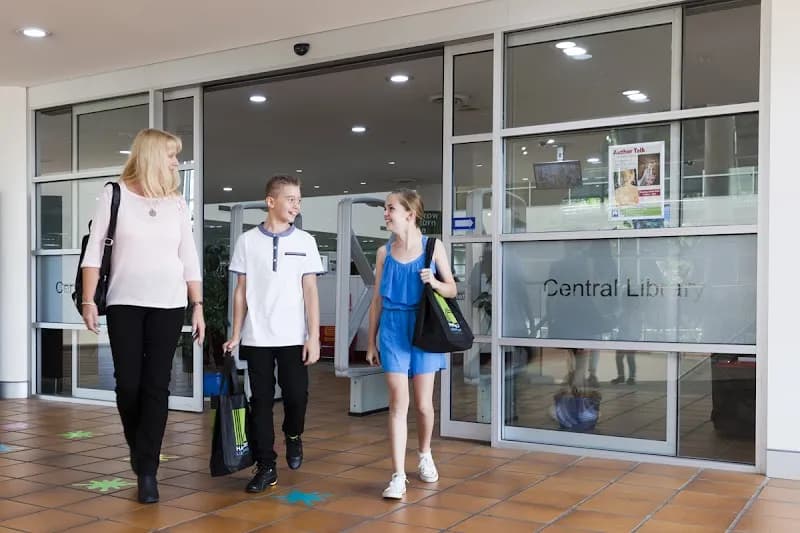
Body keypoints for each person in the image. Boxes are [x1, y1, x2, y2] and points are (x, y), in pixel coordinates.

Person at [80, 128, 204, 504]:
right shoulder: (113, 194)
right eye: (170, 155)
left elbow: (190, 255)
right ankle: (140, 446)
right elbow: (94, 253)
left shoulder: (176, 202)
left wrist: (197, 305)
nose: (176, 162)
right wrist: (88, 301)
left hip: (168, 303)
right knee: (128, 385)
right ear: (151, 155)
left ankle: (147, 470)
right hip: (124, 302)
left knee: (156, 386)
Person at [223, 175, 323, 493]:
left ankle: (293, 435)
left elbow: (310, 291)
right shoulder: (247, 242)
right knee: (260, 403)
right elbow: (241, 292)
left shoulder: (305, 241)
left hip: (294, 337)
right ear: (271, 201)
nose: (297, 205)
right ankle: (266, 466)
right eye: (291, 199)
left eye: (299, 200)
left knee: (297, 397)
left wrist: (314, 336)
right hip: (257, 337)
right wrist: (236, 332)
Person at [366, 189, 457, 499]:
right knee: (397, 404)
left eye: (390, 208)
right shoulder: (383, 253)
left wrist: (434, 281)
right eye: (385, 208)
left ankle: (425, 453)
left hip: (424, 329)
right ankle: (398, 475)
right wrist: (370, 341)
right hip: (392, 329)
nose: (386, 214)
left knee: (423, 405)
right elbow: (377, 300)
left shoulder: (433, 248)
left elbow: (453, 290)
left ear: (410, 213)